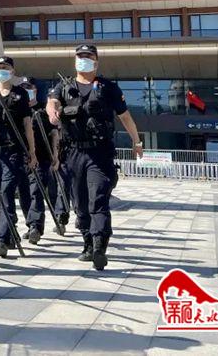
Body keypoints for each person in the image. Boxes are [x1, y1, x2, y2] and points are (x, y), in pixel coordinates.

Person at [47, 44, 143, 271]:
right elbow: (52, 102)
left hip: (99, 153)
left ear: (96, 62)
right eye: (80, 57)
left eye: (88, 56)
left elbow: (125, 116)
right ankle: (88, 243)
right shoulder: (65, 86)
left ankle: (100, 245)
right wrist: (52, 111)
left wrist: (136, 141)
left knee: (98, 198)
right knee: (80, 203)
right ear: (74, 61)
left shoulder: (108, 88)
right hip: (73, 153)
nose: (84, 60)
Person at [0, 56, 38, 258]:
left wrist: (32, 151)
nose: (2, 70)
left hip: (14, 152)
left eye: (6, 67)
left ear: (12, 71)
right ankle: (11, 231)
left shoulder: (20, 94)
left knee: (6, 193)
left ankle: (2, 239)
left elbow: (27, 124)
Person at [18, 77, 59, 244]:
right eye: (23, 87)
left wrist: (55, 155)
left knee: (36, 191)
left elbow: (54, 133)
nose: (26, 90)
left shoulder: (42, 111)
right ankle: (30, 224)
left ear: (35, 90)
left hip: (41, 158)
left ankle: (36, 226)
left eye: (29, 87)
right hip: (21, 158)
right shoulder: (17, 109)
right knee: (24, 195)